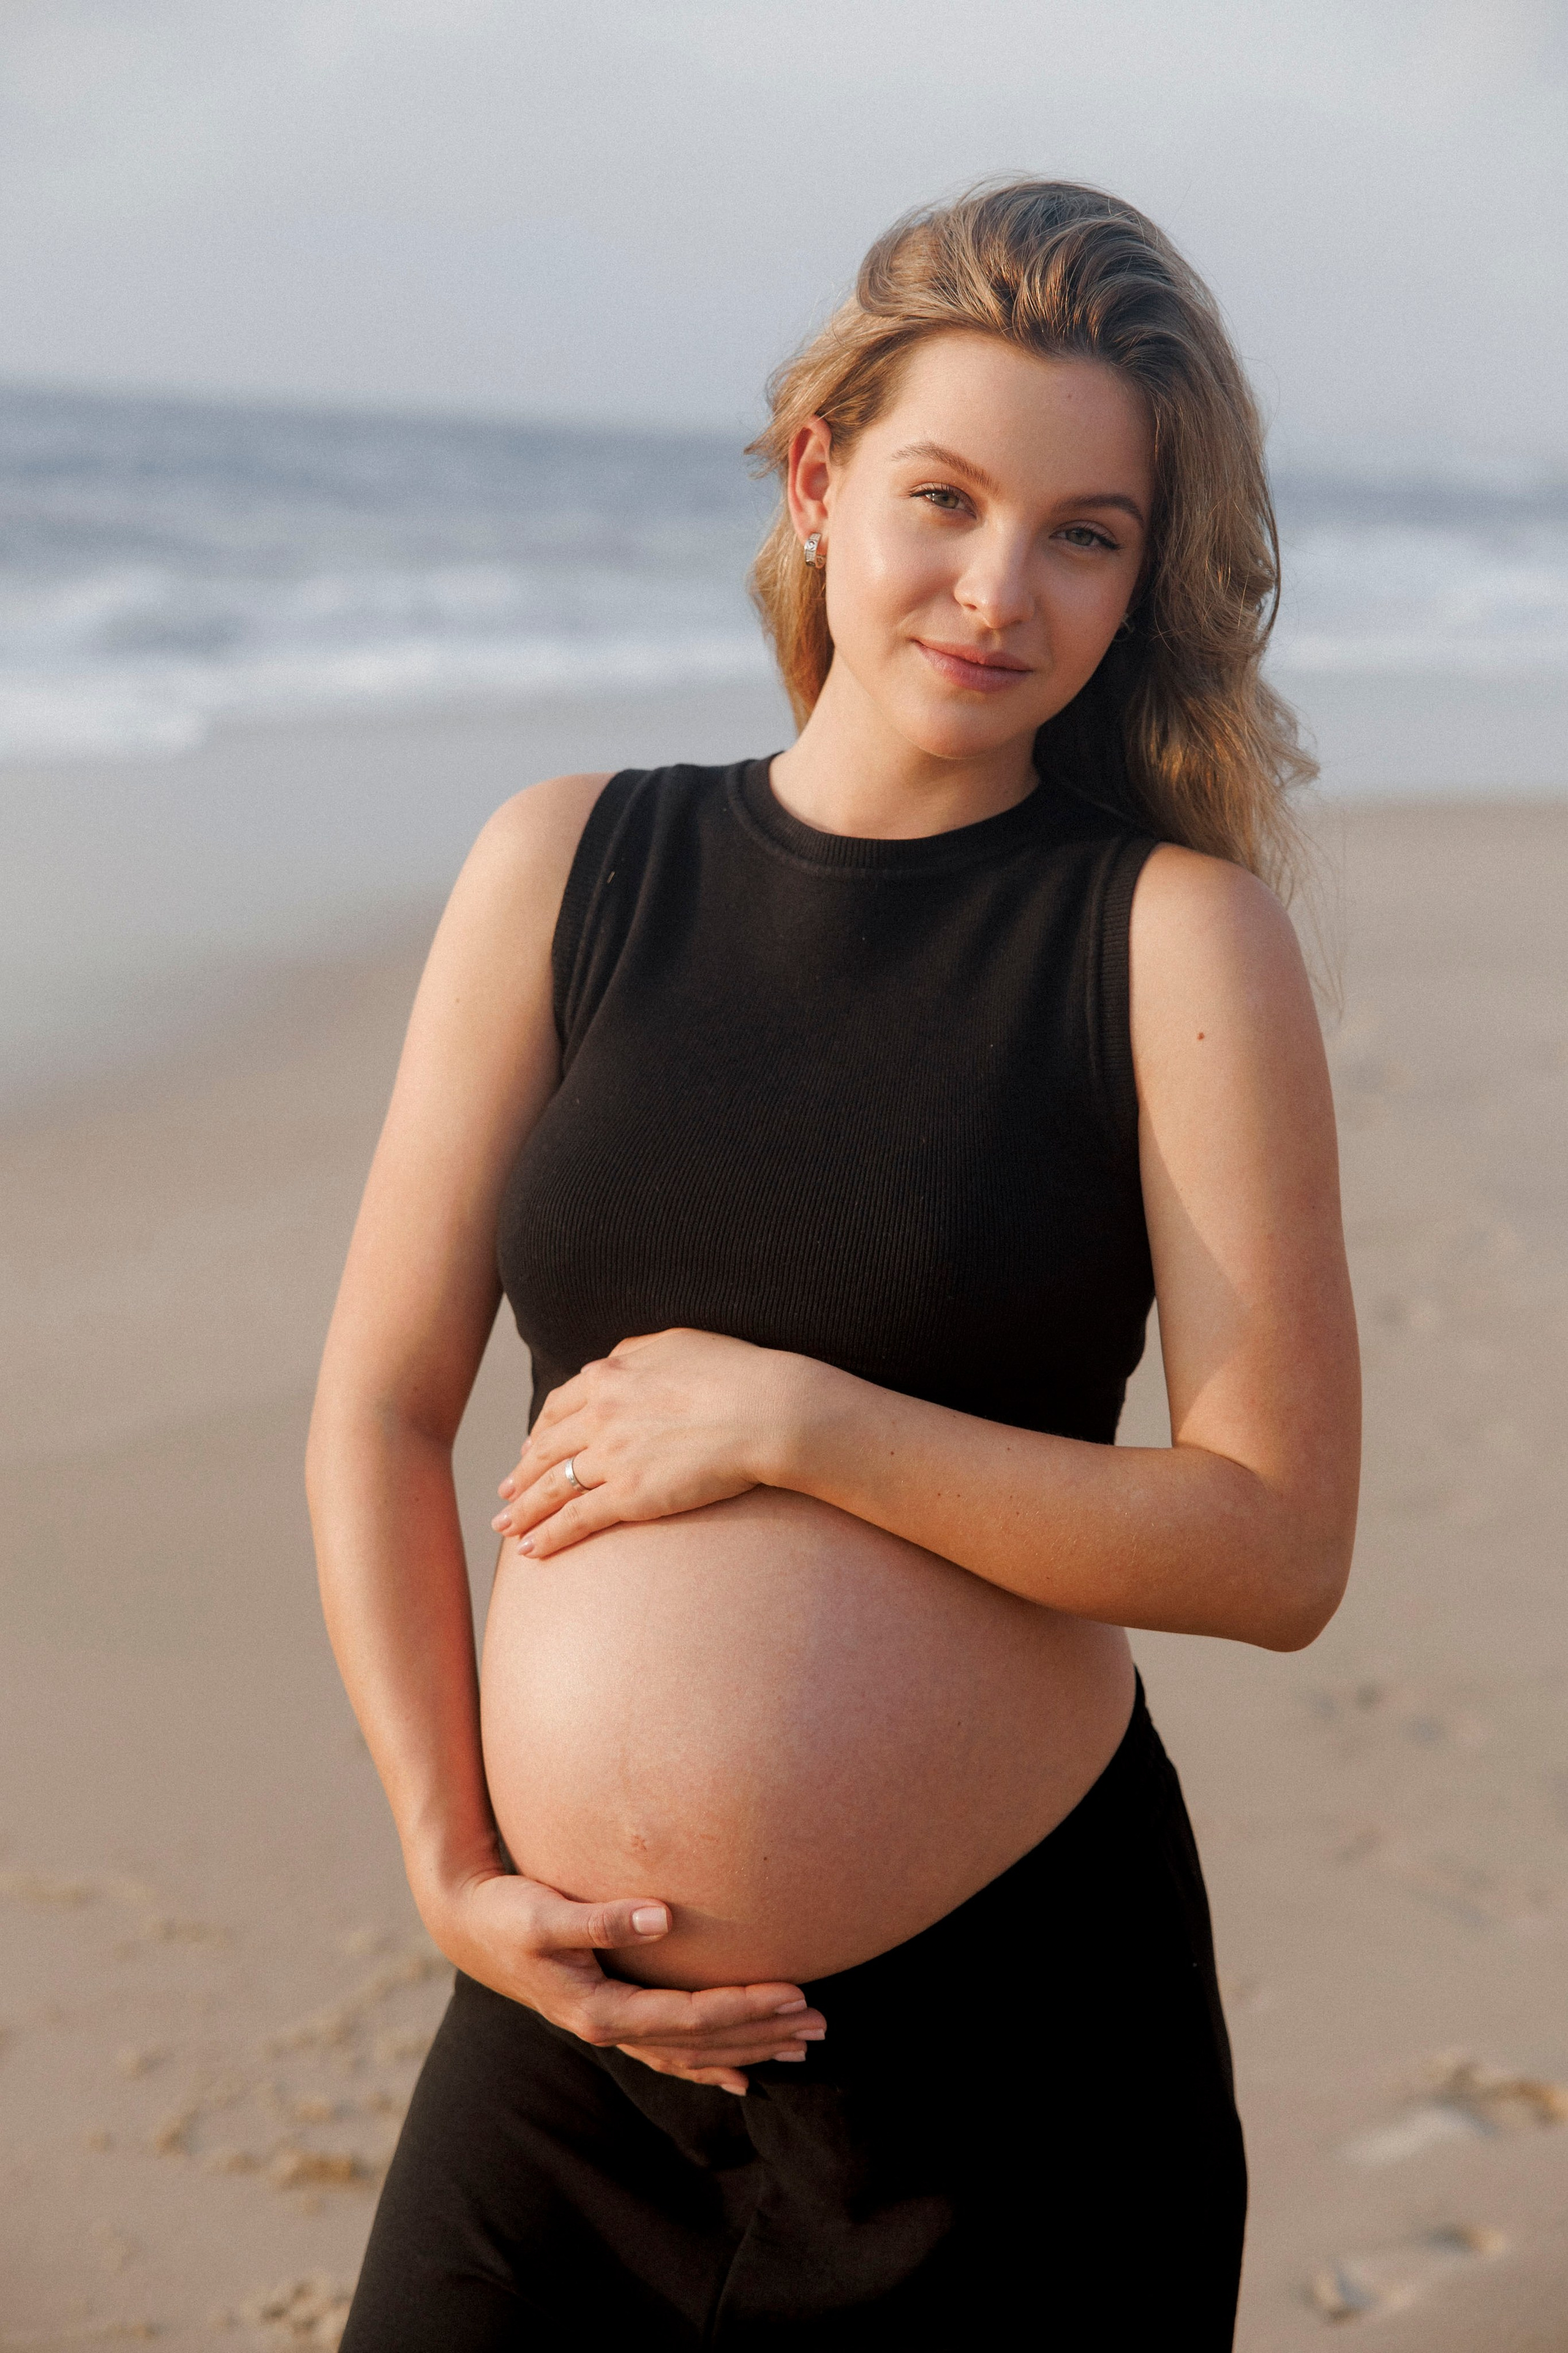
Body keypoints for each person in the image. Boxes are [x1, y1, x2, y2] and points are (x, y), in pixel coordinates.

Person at [309, 179, 1360, 2349]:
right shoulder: (570, 866)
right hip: (569, 2051)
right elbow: (381, 1404)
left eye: (1086, 531)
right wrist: (447, 1860)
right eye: (944, 498)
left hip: (1012, 2080)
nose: (999, 589)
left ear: (1146, 570)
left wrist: (806, 1423)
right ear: (820, 482)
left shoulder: (1169, 940)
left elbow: (1276, 1542)